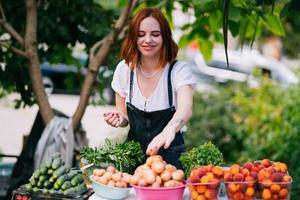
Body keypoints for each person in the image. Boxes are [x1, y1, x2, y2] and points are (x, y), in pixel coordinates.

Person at [103, 7, 196, 169]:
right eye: (141, 34)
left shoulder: (178, 70)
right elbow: (124, 116)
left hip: (170, 160)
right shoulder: (125, 70)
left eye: (155, 34)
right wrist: (119, 119)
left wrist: (169, 130)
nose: (148, 40)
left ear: (165, 37)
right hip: (131, 158)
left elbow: (186, 109)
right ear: (133, 37)